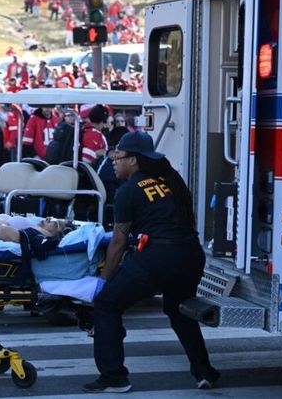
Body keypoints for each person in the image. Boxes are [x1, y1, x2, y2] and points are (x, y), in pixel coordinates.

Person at [86, 131, 220, 393]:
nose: (113, 161)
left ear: (134, 161)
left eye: (118, 157)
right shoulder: (172, 180)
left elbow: (118, 242)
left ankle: (114, 378)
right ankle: (205, 373)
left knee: (106, 305)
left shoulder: (128, 191)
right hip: (191, 255)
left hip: (158, 256)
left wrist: (103, 280)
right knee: (179, 310)